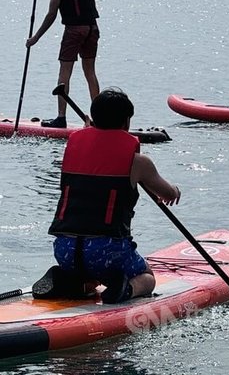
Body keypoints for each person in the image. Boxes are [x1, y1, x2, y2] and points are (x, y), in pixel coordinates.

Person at [33, 88, 180, 303]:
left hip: (65, 250)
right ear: (126, 122)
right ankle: (125, 289)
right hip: (106, 252)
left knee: (90, 267)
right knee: (147, 277)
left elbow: (97, 160)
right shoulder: (139, 162)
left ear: (93, 118)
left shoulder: (74, 147)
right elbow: (167, 193)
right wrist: (175, 190)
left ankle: (75, 281)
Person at [26, 0, 100, 128]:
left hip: (74, 30)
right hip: (92, 28)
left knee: (65, 72)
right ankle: (100, 118)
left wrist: (35, 38)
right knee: (90, 72)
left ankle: (61, 117)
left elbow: (52, 14)